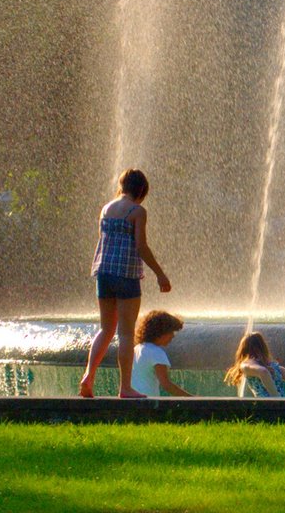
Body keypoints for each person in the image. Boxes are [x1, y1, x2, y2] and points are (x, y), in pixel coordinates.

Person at [80, 168, 171, 398]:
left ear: (122, 185)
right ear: (141, 190)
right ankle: (125, 388)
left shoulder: (106, 209)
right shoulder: (137, 211)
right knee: (127, 333)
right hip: (126, 275)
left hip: (103, 272)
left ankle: (89, 377)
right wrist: (160, 274)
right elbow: (141, 246)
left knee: (106, 329)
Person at [131, 310, 193, 397]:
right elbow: (166, 384)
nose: (173, 336)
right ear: (161, 332)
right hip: (148, 403)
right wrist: (191, 398)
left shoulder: (136, 349)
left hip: (133, 401)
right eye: (171, 332)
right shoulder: (157, 353)